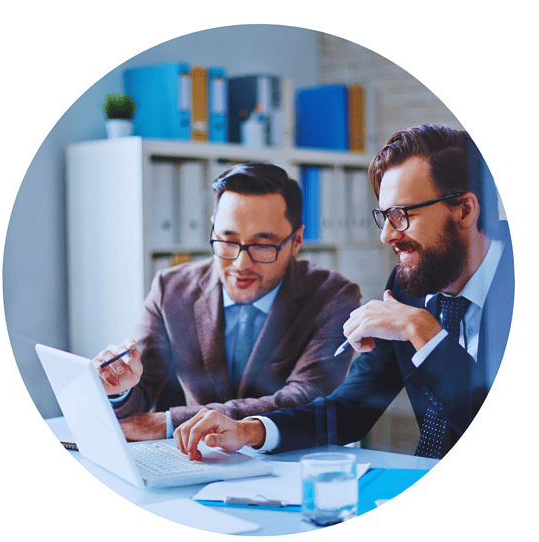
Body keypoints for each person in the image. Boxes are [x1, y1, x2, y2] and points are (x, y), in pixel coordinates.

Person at [174, 124, 515, 461]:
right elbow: (351, 409)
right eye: (385, 216)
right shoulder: (407, 287)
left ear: (464, 210)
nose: (387, 237)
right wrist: (250, 430)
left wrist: (424, 331)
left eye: (403, 215)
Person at [94, 162, 362, 441]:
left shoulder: (334, 296)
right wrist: (118, 388)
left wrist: (170, 422)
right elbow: (142, 391)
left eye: (262, 245)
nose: (240, 263)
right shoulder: (170, 289)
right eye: (228, 241)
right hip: (196, 459)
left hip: (289, 461)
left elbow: (306, 398)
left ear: (296, 241)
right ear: (213, 230)